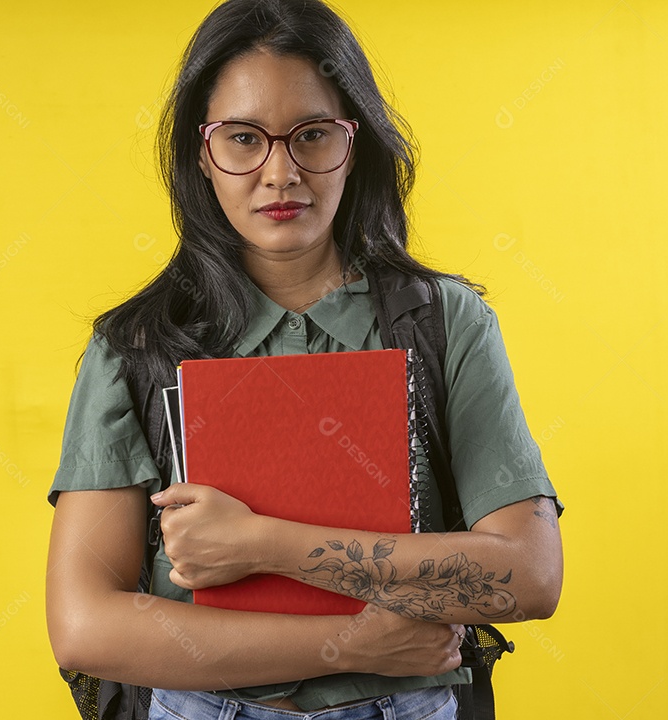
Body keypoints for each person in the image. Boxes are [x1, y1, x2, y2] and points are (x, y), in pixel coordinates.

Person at [45, 1, 564, 718]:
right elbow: (83, 626)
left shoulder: (442, 323)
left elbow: (528, 577)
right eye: (243, 138)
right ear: (203, 153)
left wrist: (259, 543)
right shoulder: (136, 347)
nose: (280, 172)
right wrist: (353, 644)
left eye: (313, 135)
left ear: (358, 145)